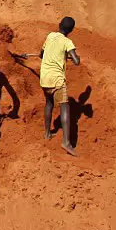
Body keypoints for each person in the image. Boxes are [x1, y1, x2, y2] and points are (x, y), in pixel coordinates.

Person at [40, 16, 81, 156]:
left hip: (44, 78)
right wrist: (73, 56)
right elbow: (76, 61)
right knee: (65, 107)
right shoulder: (67, 42)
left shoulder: (50, 36)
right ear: (71, 30)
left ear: (59, 25)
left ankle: (46, 133)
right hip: (57, 79)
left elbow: (41, 54)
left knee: (49, 103)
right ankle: (66, 142)